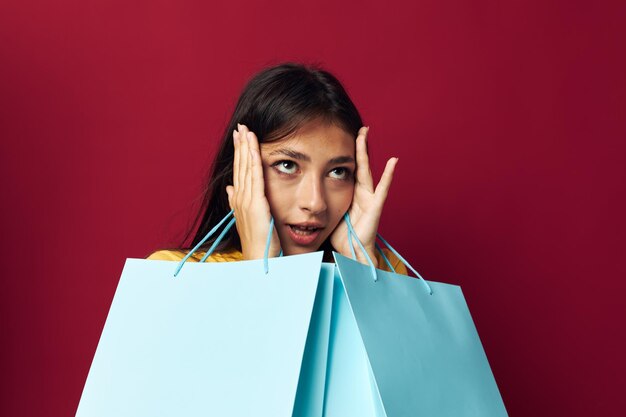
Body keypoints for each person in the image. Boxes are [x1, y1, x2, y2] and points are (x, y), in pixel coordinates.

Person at [147, 62, 408, 275]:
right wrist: (257, 270)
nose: (315, 203)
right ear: (241, 168)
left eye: (338, 172)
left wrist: (359, 275)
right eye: (287, 165)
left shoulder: (382, 272)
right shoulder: (172, 276)